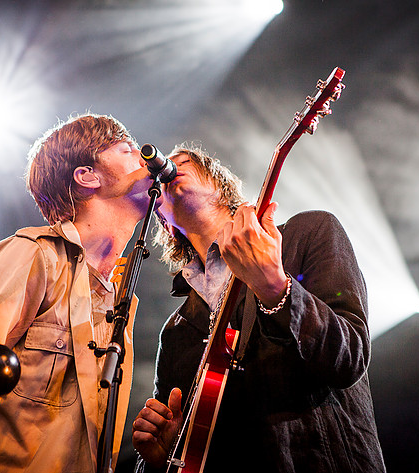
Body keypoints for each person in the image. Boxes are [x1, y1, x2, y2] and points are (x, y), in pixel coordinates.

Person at [0, 113, 157, 472]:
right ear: (87, 176)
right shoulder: (33, 254)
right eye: (127, 149)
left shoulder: (118, 298)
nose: (144, 160)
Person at [131, 144, 386, 472]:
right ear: (164, 221)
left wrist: (278, 289)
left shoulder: (307, 234)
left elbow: (349, 359)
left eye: (181, 162)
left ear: (219, 183)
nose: (168, 170)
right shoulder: (176, 332)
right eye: (162, 177)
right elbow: (181, 453)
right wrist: (160, 459)